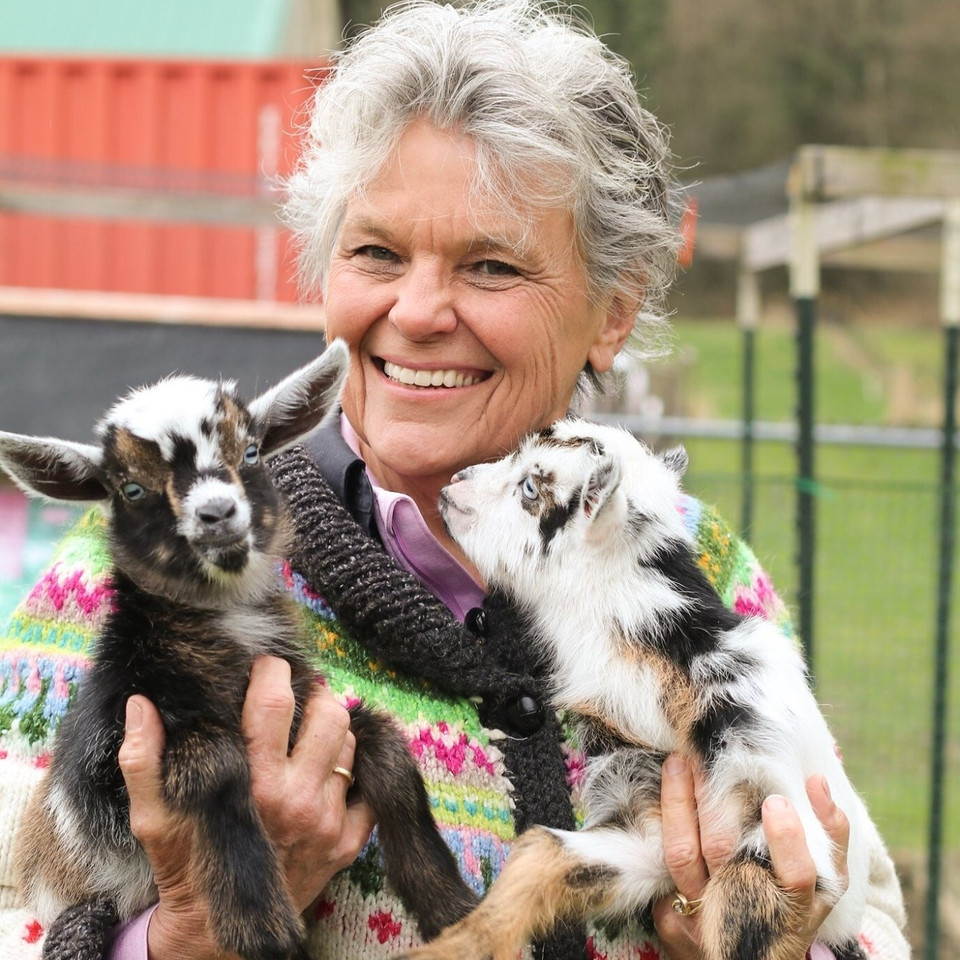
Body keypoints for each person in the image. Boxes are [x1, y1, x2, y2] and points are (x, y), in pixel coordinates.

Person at [0, 2, 908, 959]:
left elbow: (872, 918)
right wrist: (182, 936)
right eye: (376, 253)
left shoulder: (700, 571)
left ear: (611, 312)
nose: (419, 311)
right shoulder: (141, 582)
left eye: (491, 266)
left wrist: (784, 938)